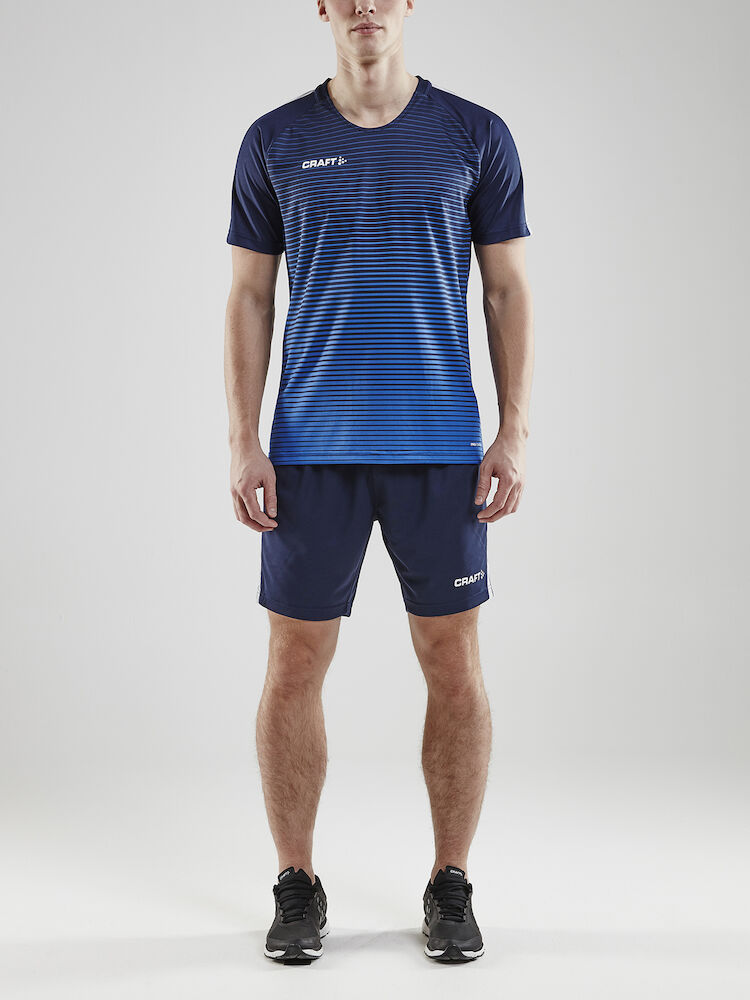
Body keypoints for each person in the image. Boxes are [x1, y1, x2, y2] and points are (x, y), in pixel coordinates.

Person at [224, 0, 534, 965]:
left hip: (441, 448)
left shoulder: (475, 135)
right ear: (322, 6)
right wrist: (243, 440)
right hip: (311, 451)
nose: (365, 4)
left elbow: (506, 288)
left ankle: (451, 882)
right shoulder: (274, 140)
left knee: (452, 661)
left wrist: (513, 429)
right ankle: (296, 882)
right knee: (293, 664)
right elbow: (249, 295)